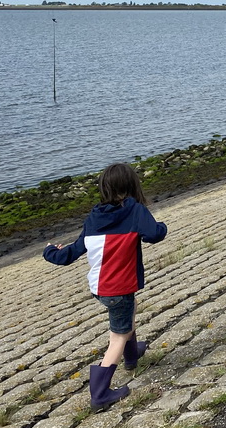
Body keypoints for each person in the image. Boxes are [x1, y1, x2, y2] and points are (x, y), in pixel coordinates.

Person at [44, 163, 168, 411]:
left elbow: (73, 251)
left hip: (100, 288)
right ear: (133, 185)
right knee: (118, 336)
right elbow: (154, 234)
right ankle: (100, 393)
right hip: (119, 287)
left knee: (128, 312)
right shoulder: (135, 210)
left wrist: (50, 252)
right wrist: (162, 226)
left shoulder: (95, 216)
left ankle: (132, 356)